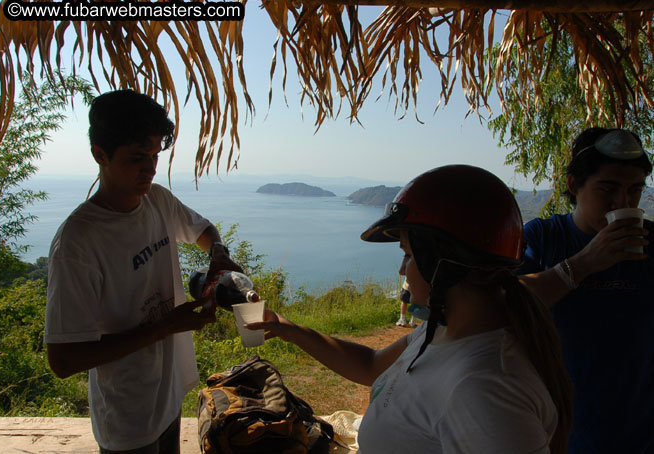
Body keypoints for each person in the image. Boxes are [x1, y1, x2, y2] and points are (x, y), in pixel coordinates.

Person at [247, 165, 573, 454]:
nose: (402, 270)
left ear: (442, 261)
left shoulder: (483, 389)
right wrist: (289, 329)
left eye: (407, 254)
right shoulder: (444, 332)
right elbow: (371, 364)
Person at [44, 89, 242, 453]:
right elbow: (63, 359)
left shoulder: (157, 200)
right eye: (137, 158)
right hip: (126, 418)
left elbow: (202, 230)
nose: (151, 168)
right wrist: (167, 326)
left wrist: (218, 253)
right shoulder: (79, 241)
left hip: (167, 398)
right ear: (99, 155)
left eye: (154, 155)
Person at [518, 127, 653, 454]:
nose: (622, 202)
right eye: (608, 188)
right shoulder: (544, 238)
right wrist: (584, 263)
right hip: (558, 431)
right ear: (573, 185)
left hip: (641, 431)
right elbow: (505, 306)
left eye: (635, 191)